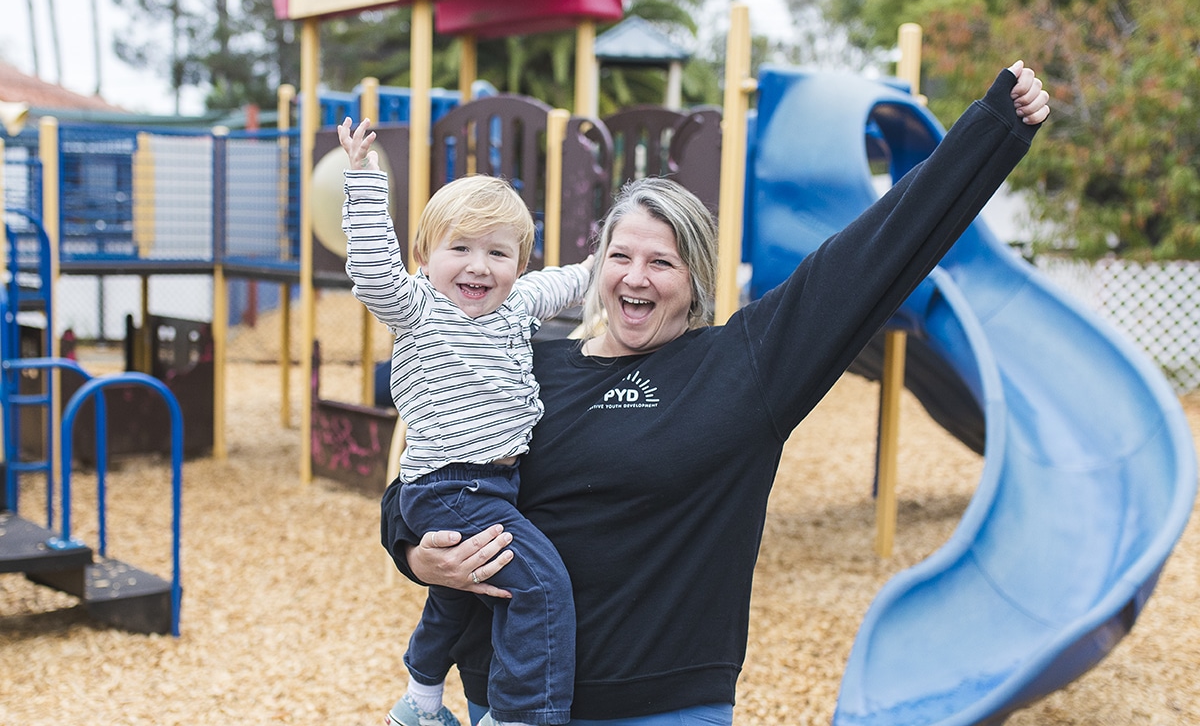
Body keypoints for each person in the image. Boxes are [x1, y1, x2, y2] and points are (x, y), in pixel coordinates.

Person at [381, 62, 1051, 726]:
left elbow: (876, 256)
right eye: (621, 256)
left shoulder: (744, 368)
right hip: (505, 704)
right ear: (596, 268)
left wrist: (994, 129)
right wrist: (415, 552)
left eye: (661, 261)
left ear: (695, 279)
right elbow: (430, 475)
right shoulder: (525, 364)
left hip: (665, 708)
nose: (635, 277)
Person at [339, 117, 594, 726]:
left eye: (498, 253)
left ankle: (421, 702)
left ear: (517, 265)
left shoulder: (518, 305)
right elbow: (374, 268)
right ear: (424, 258)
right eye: (461, 249)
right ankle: (522, 716)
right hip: (450, 484)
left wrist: (603, 260)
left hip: (492, 484)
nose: (479, 267)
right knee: (541, 588)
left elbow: (564, 283)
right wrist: (362, 180)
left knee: (457, 594)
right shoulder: (419, 307)